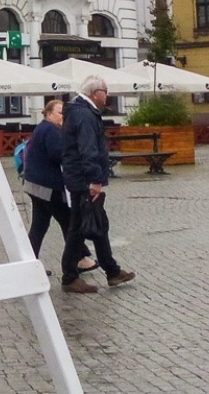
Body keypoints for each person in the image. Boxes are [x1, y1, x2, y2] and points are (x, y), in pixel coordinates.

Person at [60, 75, 134, 294]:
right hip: (84, 180)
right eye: (105, 90)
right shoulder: (84, 114)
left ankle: (112, 270)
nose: (107, 94)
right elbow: (88, 148)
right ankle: (69, 276)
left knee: (98, 224)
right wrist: (94, 179)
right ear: (95, 93)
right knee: (78, 229)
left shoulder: (80, 111)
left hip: (81, 177)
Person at [20, 100, 95, 272]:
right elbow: (58, 155)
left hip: (35, 185)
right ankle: (80, 259)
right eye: (60, 112)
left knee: (40, 225)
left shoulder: (42, 128)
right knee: (68, 221)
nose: (63, 116)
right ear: (48, 113)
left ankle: (29, 265)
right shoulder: (51, 130)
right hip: (48, 187)